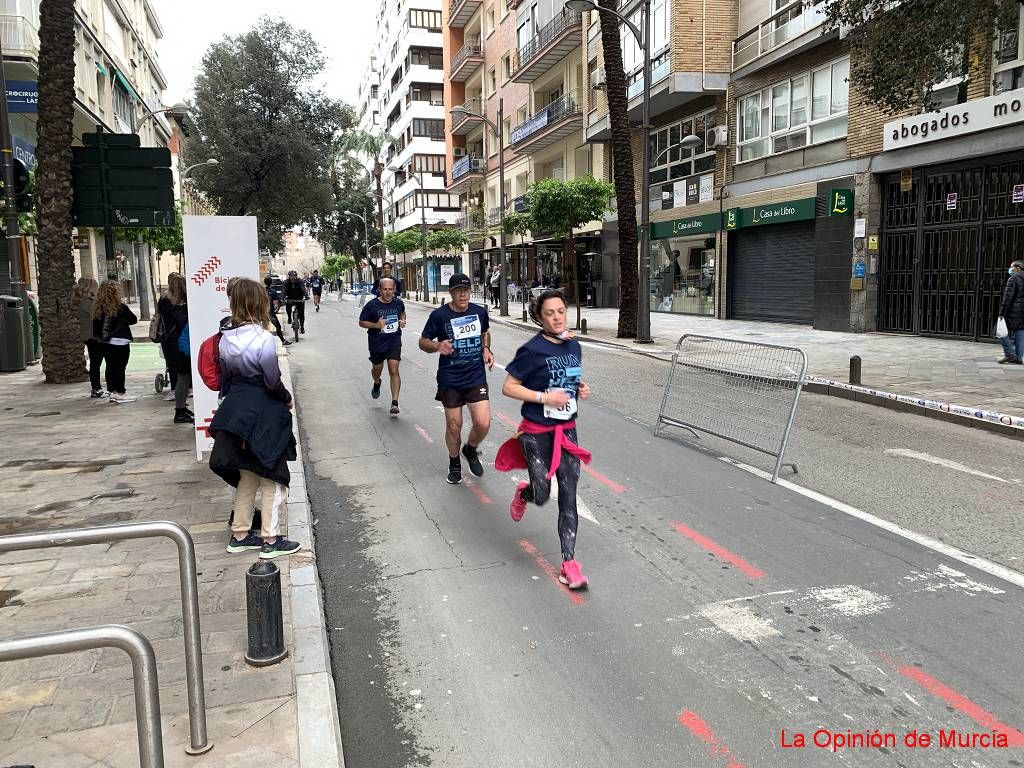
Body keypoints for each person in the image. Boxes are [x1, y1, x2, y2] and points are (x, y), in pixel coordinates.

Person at [496, 290, 592, 589]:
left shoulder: (573, 345)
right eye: (550, 312)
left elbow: (569, 380)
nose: (557, 316)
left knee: (568, 496)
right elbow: (508, 387)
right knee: (542, 495)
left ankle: (569, 563)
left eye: (561, 310)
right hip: (536, 433)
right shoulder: (532, 350)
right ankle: (525, 493)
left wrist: (581, 388)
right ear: (539, 316)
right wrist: (543, 397)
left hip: (567, 431)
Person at [209, 278, 301, 559]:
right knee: (273, 478)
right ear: (259, 302)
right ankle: (271, 540)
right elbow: (271, 380)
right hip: (262, 412)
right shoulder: (263, 338)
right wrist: (286, 398)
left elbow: (226, 374)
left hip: (235, 411)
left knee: (247, 476)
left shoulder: (225, 337)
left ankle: (240, 535)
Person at [419, 272, 494, 484]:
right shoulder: (439, 316)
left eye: (466, 290)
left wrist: (486, 348)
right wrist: (437, 345)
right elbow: (423, 342)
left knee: (483, 422)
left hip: (475, 375)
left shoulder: (479, 312)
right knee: (454, 424)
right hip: (450, 378)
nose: (463, 295)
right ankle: (454, 463)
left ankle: (469, 449)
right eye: (458, 291)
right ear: (451, 293)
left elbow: (485, 332)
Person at [359, 277, 406, 415]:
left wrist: (402, 321)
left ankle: (395, 403)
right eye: (384, 289)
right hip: (377, 343)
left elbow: (402, 313)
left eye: (390, 289)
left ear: (394, 290)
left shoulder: (398, 303)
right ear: (379, 290)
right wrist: (376, 325)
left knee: (394, 369)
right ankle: (377, 381)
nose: (387, 292)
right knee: (376, 370)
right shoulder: (372, 305)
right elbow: (361, 322)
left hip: (394, 341)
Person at [92, 280, 138, 404]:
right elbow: (133, 320)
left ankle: (112, 391)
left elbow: (95, 327)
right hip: (120, 341)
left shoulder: (98, 308)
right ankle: (120, 392)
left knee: (110, 367)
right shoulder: (121, 307)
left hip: (105, 342)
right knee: (120, 367)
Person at [157, 273, 194, 424]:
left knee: (181, 377)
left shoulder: (163, 302)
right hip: (179, 344)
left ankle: (181, 408)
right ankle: (179, 410)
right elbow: (183, 322)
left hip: (169, 343)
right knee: (183, 378)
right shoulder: (178, 307)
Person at [73, 277, 102, 398]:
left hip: (89, 335)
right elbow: (98, 315)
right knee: (96, 363)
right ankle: (96, 388)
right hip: (92, 336)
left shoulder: (82, 300)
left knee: (96, 362)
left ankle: (96, 387)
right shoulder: (87, 302)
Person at [998, 259, 1024, 364]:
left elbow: (1008, 297)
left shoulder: (1014, 278)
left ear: (1018, 268)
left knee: (998, 330)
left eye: (1012, 267)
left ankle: (1010, 354)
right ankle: (1018, 357)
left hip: (1013, 311)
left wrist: (1002, 313)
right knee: (1021, 331)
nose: (1010, 269)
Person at [264, 276, 292, 346]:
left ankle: (263, 343)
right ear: (271, 283)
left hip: (261, 313)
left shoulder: (261, 291)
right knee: (278, 327)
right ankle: (283, 341)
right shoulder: (273, 291)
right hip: (270, 313)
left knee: (263, 328)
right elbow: (276, 302)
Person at [282, 269, 308, 334]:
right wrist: (282, 298)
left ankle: (302, 327)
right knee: (288, 306)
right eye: (291, 276)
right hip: (290, 298)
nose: (293, 277)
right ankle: (289, 318)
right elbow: (283, 290)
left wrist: (306, 296)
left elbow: (303, 289)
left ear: (296, 276)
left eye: (294, 276)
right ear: (289, 276)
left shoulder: (300, 281)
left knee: (302, 314)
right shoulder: (286, 282)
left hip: (299, 299)